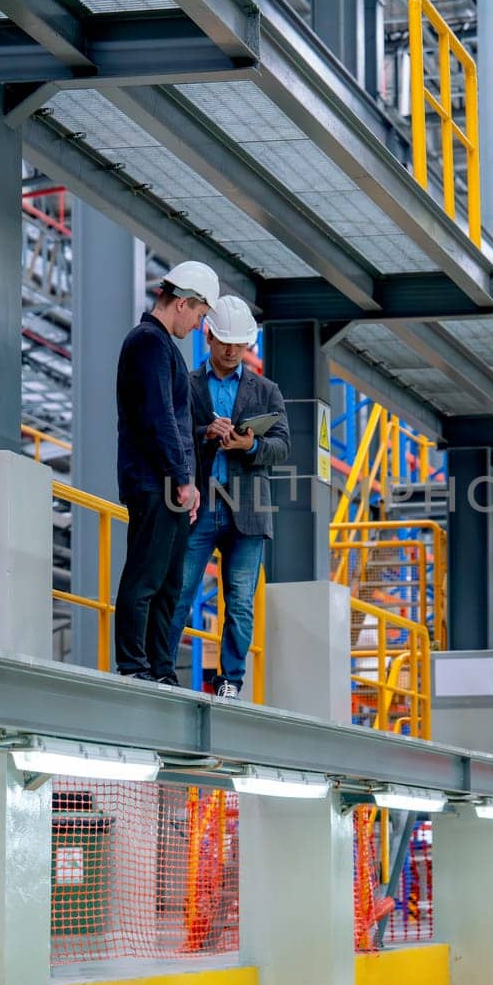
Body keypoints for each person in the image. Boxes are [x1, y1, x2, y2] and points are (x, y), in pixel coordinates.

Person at [171, 295, 290, 698]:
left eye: (239, 345)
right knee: (180, 591)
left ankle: (230, 681)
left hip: (248, 512)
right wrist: (206, 433)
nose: (232, 351)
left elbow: (282, 446)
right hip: (200, 506)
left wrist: (249, 447)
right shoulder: (186, 385)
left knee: (239, 602)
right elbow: (174, 436)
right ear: (209, 336)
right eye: (225, 343)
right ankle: (162, 670)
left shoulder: (266, 391)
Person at [114, 261, 219, 685]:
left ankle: (160, 670)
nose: (198, 326)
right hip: (154, 481)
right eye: (198, 316)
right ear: (182, 303)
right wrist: (182, 478)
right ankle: (134, 666)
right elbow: (158, 417)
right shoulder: (148, 344)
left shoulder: (162, 348)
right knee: (146, 578)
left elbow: (174, 420)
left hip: (170, 484)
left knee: (168, 584)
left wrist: (188, 478)